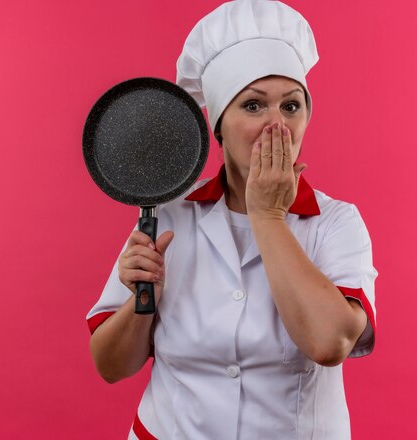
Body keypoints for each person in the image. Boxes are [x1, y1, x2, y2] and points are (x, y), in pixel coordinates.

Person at [86, 1, 378, 438]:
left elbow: (330, 343)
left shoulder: (336, 223)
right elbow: (110, 367)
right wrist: (141, 304)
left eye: (291, 107)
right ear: (219, 125)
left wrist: (268, 214)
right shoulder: (169, 212)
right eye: (254, 106)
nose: (276, 124)